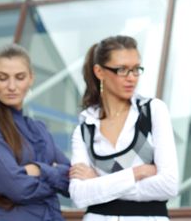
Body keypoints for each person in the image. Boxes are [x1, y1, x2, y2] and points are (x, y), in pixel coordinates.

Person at [69, 35, 178, 220]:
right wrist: (137, 173)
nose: (132, 78)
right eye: (122, 70)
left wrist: (98, 183)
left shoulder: (152, 112)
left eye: (136, 69)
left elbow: (168, 185)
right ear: (99, 71)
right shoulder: (85, 129)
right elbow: (79, 195)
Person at [0, 44, 70, 220]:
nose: (12, 86)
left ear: (31, 78)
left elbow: (73, 180)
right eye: (2, 78)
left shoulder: (39, 129)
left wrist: (38, 170)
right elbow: (17, 188)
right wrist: (53, 174)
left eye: (20, 77)